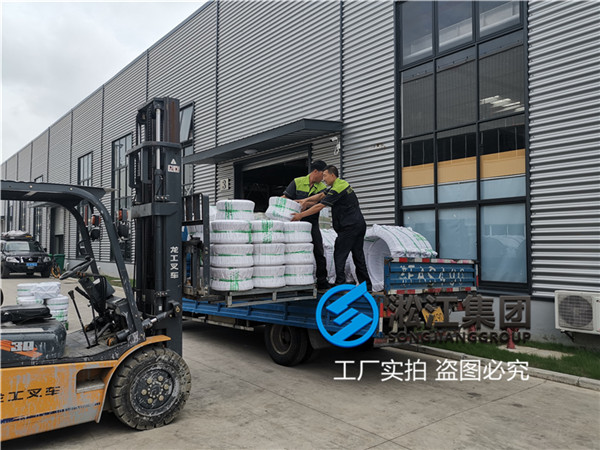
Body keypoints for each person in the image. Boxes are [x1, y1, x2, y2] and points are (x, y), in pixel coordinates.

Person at [291, 165, 372, 291]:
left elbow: (320, 206)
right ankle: (367, 286)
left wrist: (300, 215)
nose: (323, 179)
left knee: (339, 254)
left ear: (332, 175)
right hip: (358, 225)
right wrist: (304, 201)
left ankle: (340, 285)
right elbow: (320, 196)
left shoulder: (337, 189)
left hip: (349, 227)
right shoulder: (340, 185)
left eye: (325, 176)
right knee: (358, 256)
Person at [283, 160, 330, 290]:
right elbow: (286, 198)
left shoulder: (321, 188)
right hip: (294, 224)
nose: (323, 178)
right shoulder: (297, 182)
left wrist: (304, 205)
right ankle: (291, 279)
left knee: (318, 250)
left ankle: (322, 281)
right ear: (315, 172)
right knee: (293, 251)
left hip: (312, 223)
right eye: (322, 174)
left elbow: (319, 203)